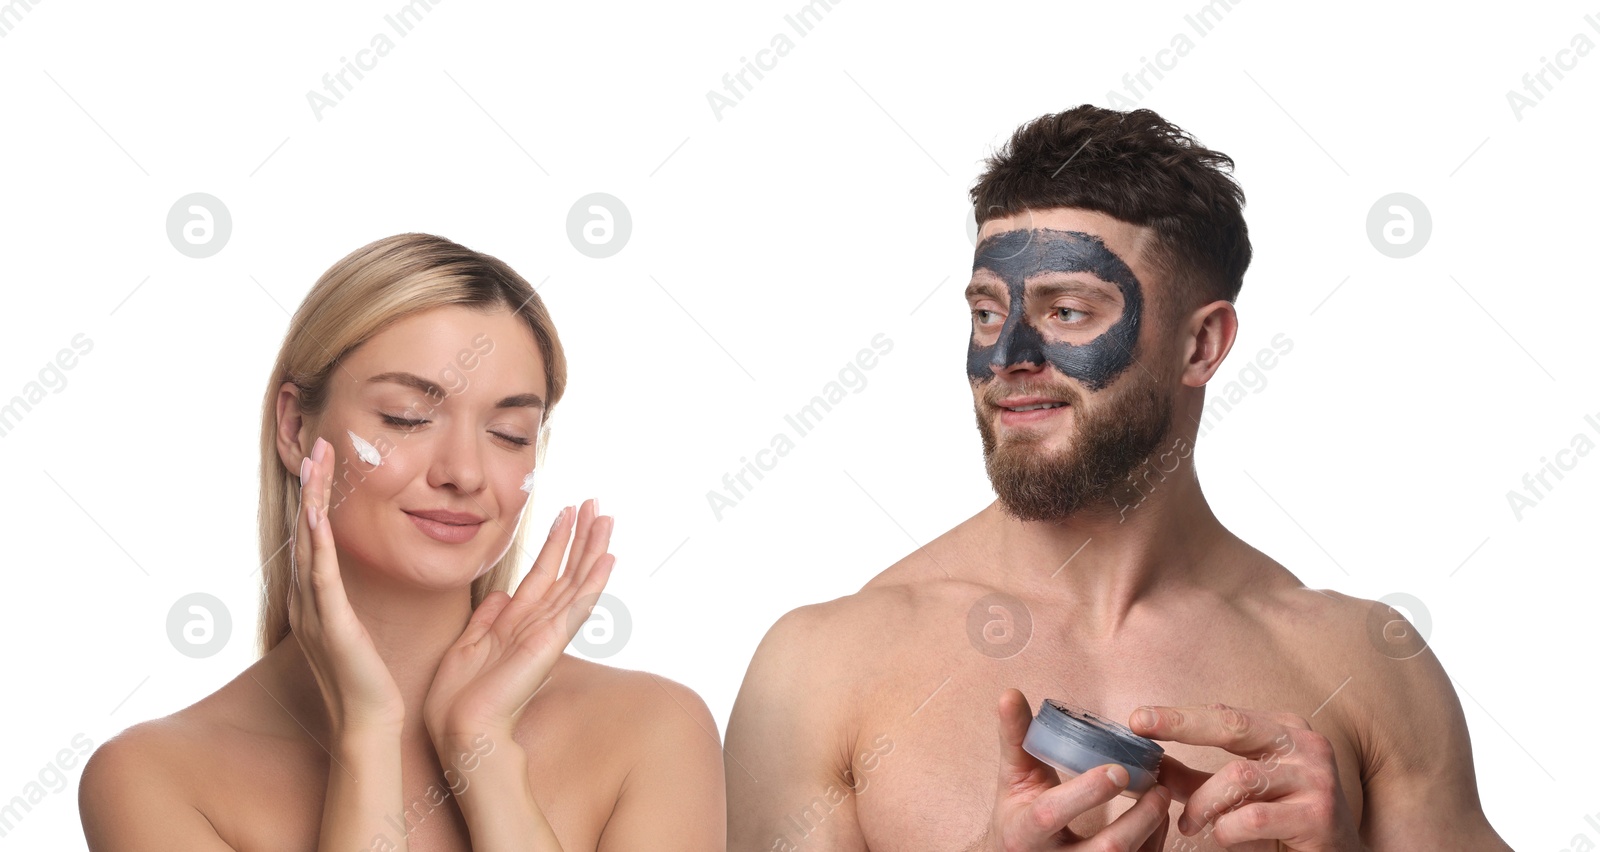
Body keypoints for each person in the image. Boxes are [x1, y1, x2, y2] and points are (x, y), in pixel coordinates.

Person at [725, 106, 1511, 850]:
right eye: (988, 314)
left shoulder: (1364, 667)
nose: (1007, 362)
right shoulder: (822, 669)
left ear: (1202, 346)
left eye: (1068, 311)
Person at [79, 233, 725, 850]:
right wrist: (366, 737)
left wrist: (484, 752)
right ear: (295, 425)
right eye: (407, 419)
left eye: (508, 432)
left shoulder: (657, 731)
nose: (465, 473)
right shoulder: (153, 778)